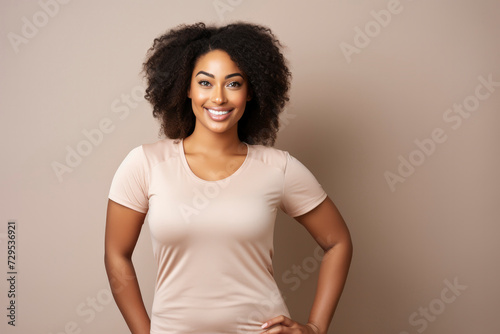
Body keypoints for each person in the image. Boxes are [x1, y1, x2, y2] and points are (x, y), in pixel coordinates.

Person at [104, 21, 353, 334]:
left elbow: (338, 242)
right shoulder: (145, 164)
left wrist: (315, 328)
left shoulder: (278, 168)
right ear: (186, 88)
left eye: (233, 84)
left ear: (251, 92)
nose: (218, 97)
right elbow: (116, 254)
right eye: (205, 83)